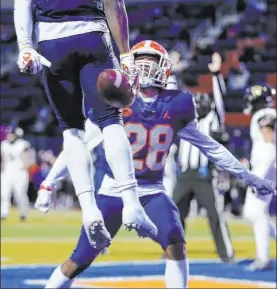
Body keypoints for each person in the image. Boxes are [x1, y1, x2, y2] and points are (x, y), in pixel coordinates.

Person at [35, 41, 276, 289]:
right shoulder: (114, 99)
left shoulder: (178, 103)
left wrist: (248, 177)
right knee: (80, 259)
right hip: (113, 191)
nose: (146, 67)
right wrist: (49, 181)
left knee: (176, 243)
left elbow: (211, 147)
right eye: (140, 62)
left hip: (152, 191)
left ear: (164, 68)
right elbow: (78, 147)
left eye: (151, 62)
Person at [11, 0, 156, 249]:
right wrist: (125, 55)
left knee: (72, 131)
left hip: (48, 41)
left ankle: (89, 209)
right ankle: (132, 204)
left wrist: (25, 45)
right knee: (110, 122)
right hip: (91, 34)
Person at [172, 53, 234, 263]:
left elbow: (220, 102)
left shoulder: (213, 121)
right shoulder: (184, 120)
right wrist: (173, 72)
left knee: (214, 215)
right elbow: (171, 97)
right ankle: (173, 250)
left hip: (204, 175)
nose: (198, 108)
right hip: (184, 175)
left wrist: (216, 74)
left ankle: (226, 252)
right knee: (174, 215)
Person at [242, 84, 276, 271]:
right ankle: (263, 256)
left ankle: (263, 258)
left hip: (266, 170)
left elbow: (269, 139)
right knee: (251, 212)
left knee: (255, 213)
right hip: (262, 170)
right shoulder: (266, 114)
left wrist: (266, 176)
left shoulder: (264, 114)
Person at [1, 127, 33, 221]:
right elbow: (3, 160)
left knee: (20, 194)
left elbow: (26, 159)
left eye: (11, 134)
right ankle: (3, 213)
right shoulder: (4, 145)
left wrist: (26, 170)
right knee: (4, 194)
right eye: (8, 134)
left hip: (20, 172)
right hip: (7, 172)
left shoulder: (23, 144)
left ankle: (23, 214)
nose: (9, 136)